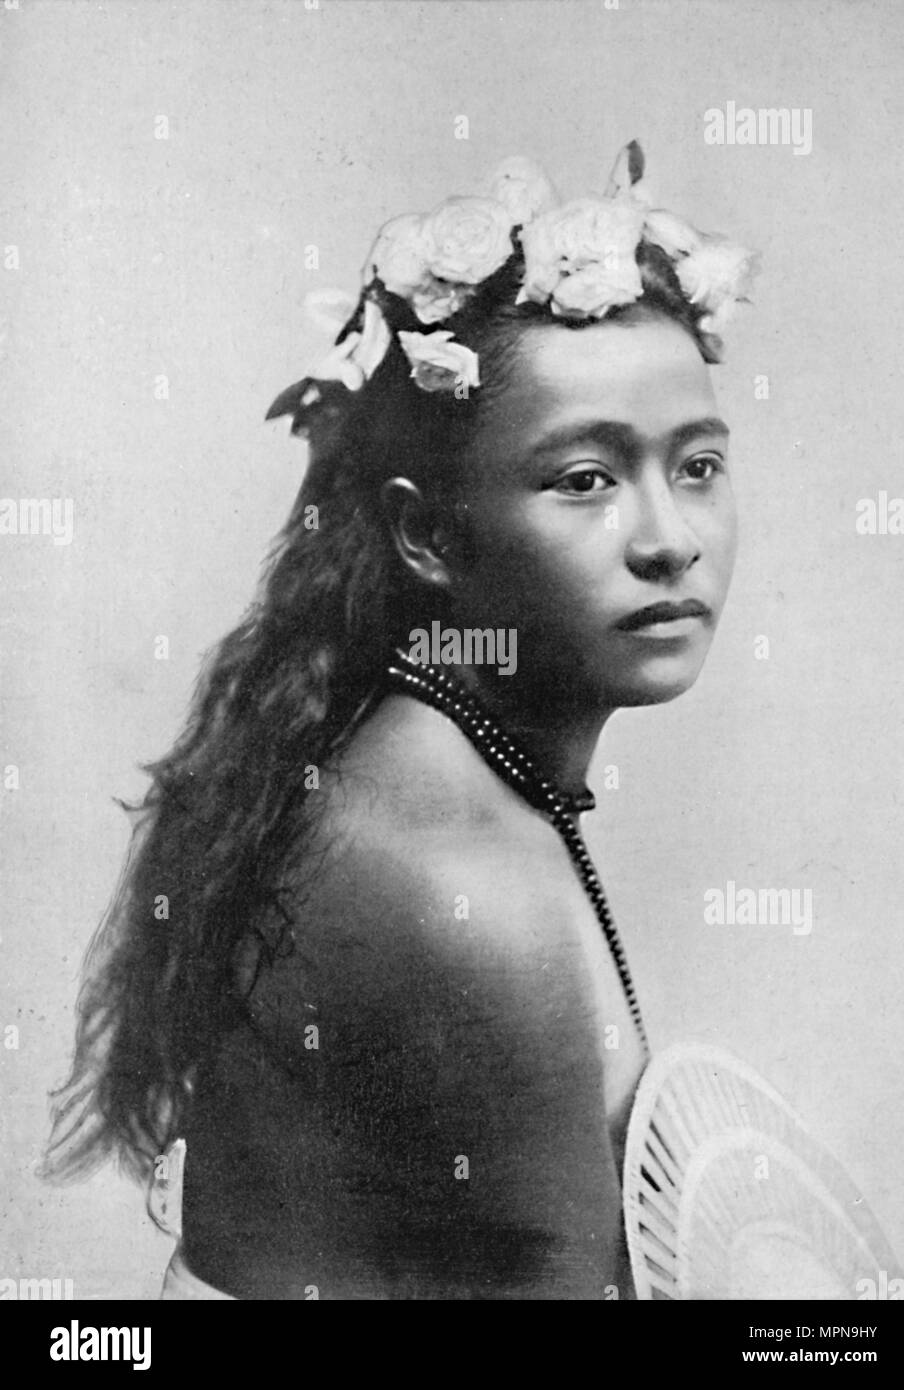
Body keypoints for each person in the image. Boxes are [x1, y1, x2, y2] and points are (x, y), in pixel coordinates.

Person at [43, 145, 757, 1299]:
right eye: (585, 478)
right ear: (427, 535)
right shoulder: (457, 881)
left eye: (700, 463)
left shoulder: (429, 764)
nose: (668, 536)